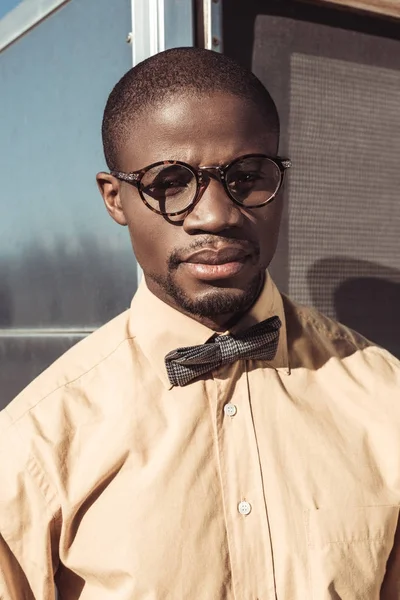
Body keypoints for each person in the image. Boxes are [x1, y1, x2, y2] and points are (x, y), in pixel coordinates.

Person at [0, 47, 399, 600]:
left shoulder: (385, 399)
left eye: (248, 176)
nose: (216, 215)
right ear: (115, 199)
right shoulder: (36, 447)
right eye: (170, 183)